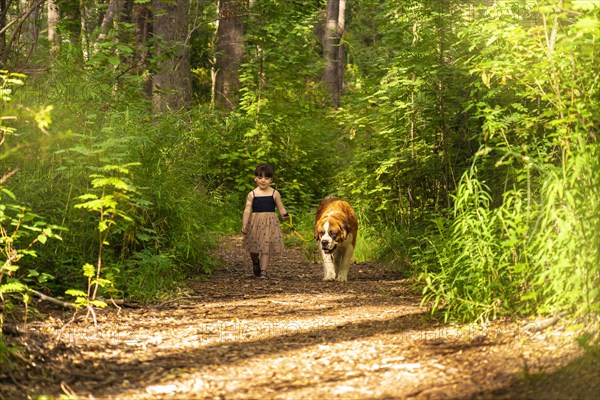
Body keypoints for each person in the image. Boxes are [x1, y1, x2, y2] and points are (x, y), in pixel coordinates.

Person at [242, 164, 289, 278]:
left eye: (266, 178)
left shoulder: (274, 193)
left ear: (271, 180)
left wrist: (284, 214)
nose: (263, 180)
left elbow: (280, 207)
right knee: (254, 247)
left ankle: (263, 271)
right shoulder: (252, 194)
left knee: (265, 247)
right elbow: (247, 209)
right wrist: (244, 224)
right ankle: (255, 262)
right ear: (255, 178)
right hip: (255, 222)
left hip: (270, 222)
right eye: (260, 177)